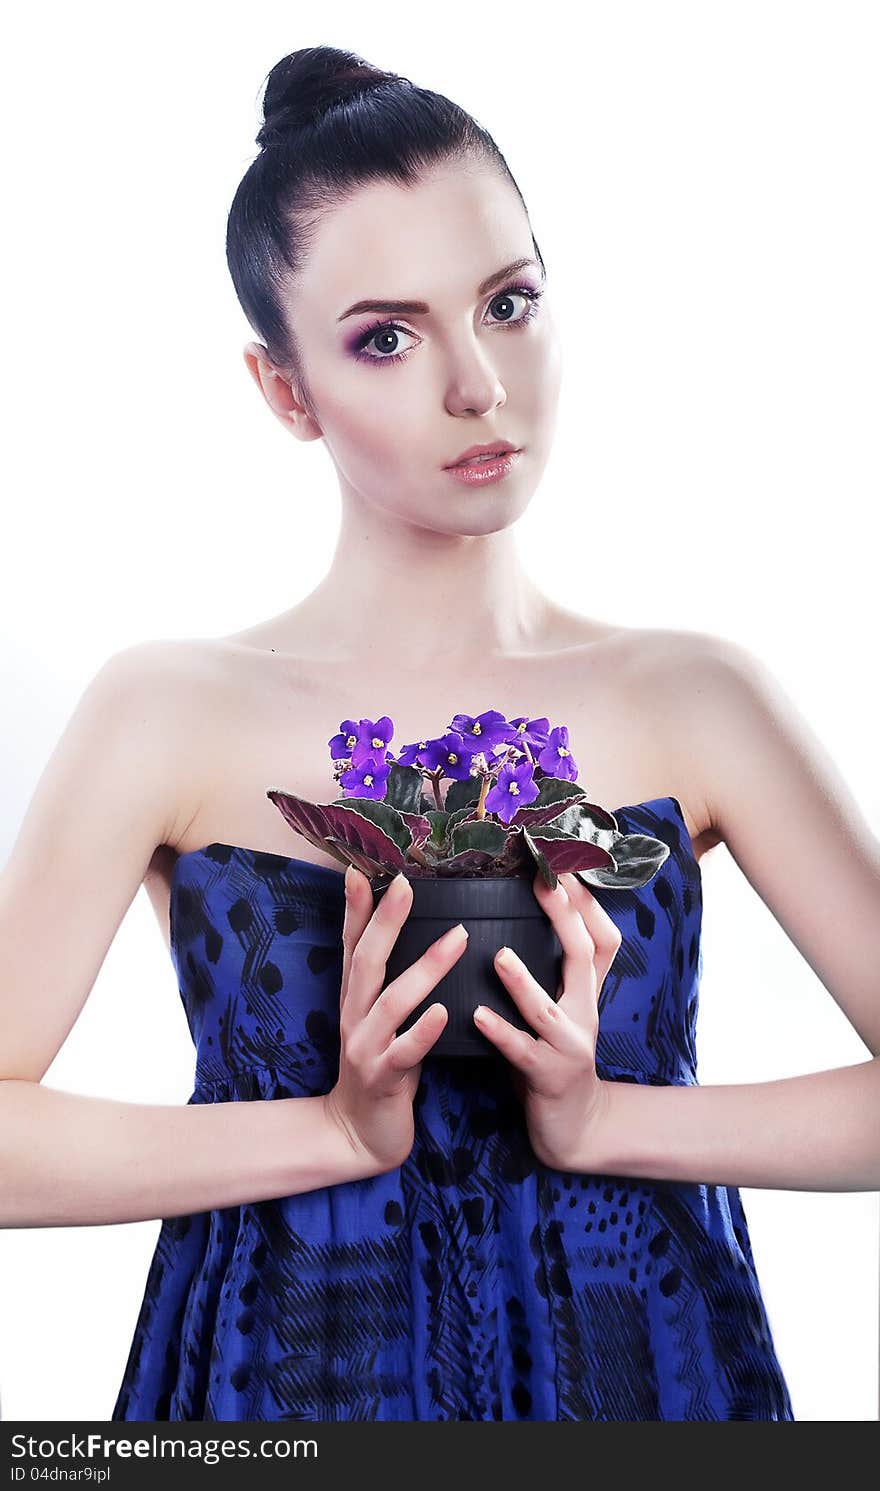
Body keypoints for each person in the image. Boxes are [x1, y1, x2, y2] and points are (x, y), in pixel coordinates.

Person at [2, 44, 878, 1423]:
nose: (480, 385)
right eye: (386, 337)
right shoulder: (165, 711)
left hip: (643, 1378)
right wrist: (331, 1132)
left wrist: (608, 1121)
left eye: (510, 302)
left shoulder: (697, 697)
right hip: (280, 1391)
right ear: (284, 389)